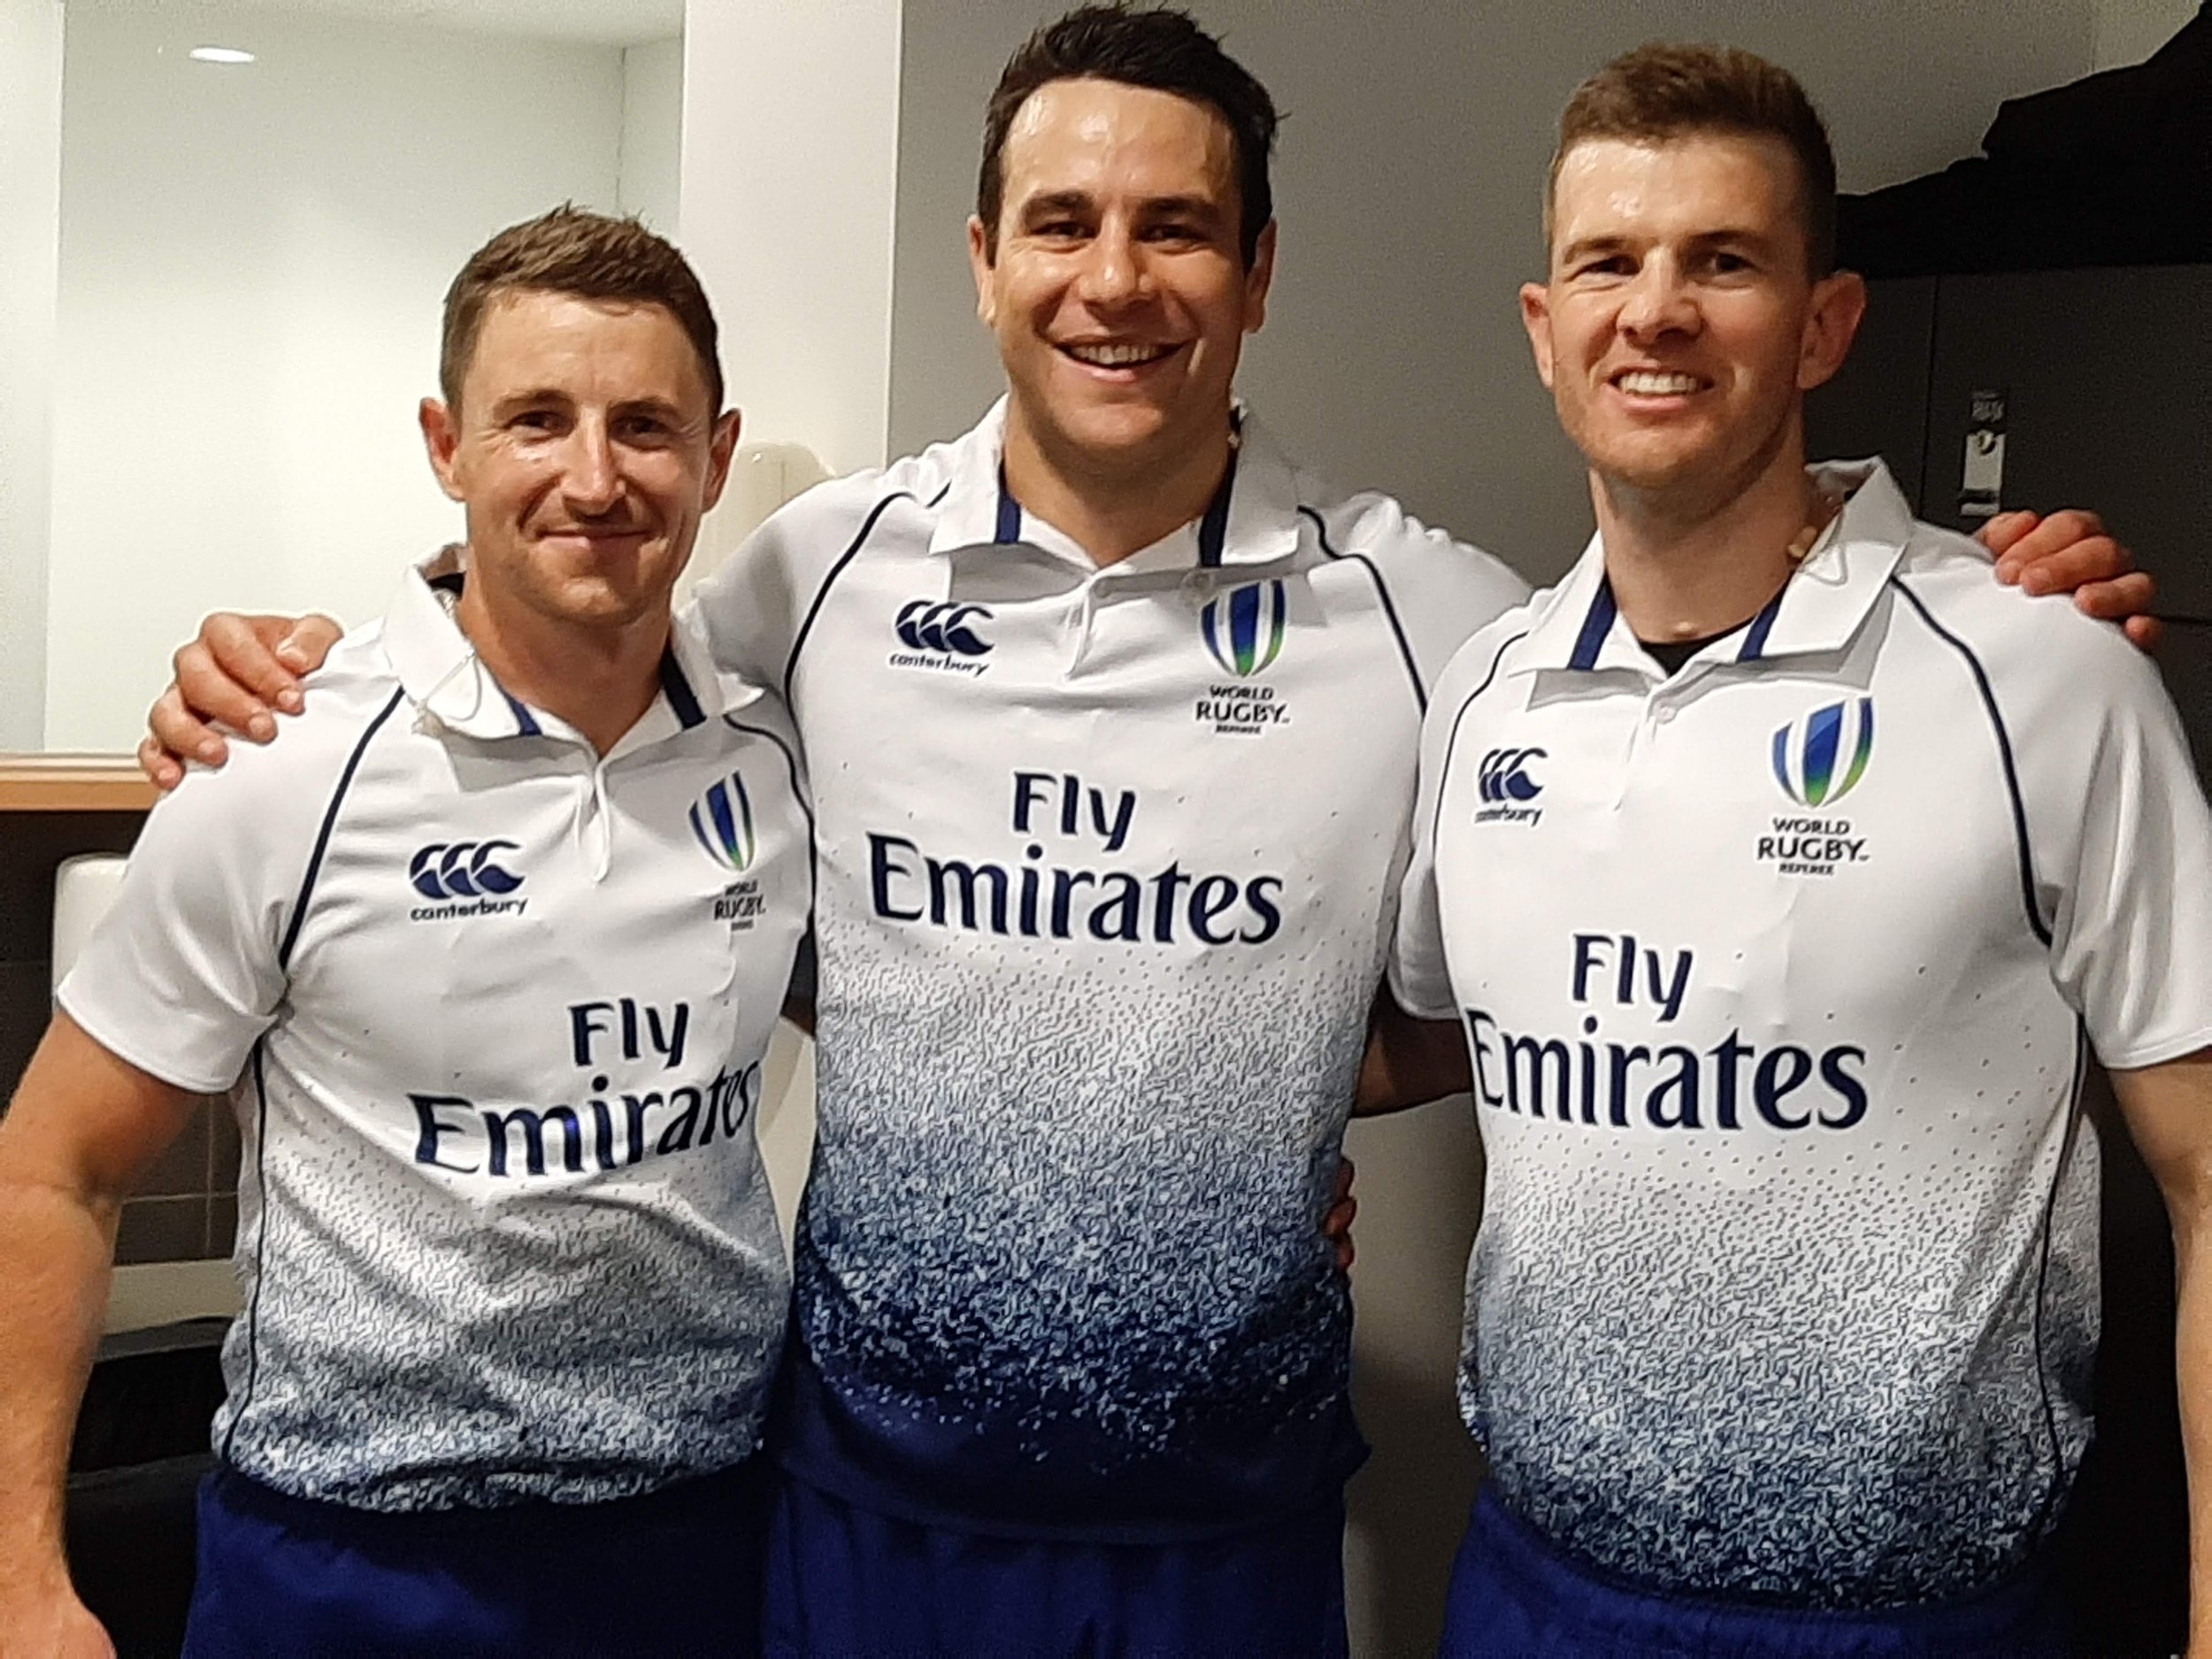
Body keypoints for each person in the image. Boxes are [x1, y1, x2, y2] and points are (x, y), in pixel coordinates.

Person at [134, 10, 2155, 1653]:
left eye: (1176, 227)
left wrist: (1974, 587)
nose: (1115, 279)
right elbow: (582, 634)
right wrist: (296, 669)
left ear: (1256, 274)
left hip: (1229, 1526)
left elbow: (1541, 947)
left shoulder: (1436, 622)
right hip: (862, 1504)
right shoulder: (815, 576)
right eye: (1063, 223)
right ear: (984, 261)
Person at [1381, 42, 2212, 1657]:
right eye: (1608, 263)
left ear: (1825, 322)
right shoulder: (1482, 692)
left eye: (1724, 262)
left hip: (1922, 1621)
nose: (1657, 310)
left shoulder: (2041, 671)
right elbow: (1417, 1032)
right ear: (1546, 331)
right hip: (1535, 1596)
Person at [0, 208, 814, 1656]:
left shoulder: (781, 752)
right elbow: (56, 1168)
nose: (594, 477)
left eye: (644, 426)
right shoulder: (280, 763)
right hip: (345, 1563)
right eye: (536, 420)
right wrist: (21, 1582)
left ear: (715, 455)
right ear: (448, 446)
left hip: (705, 1550)